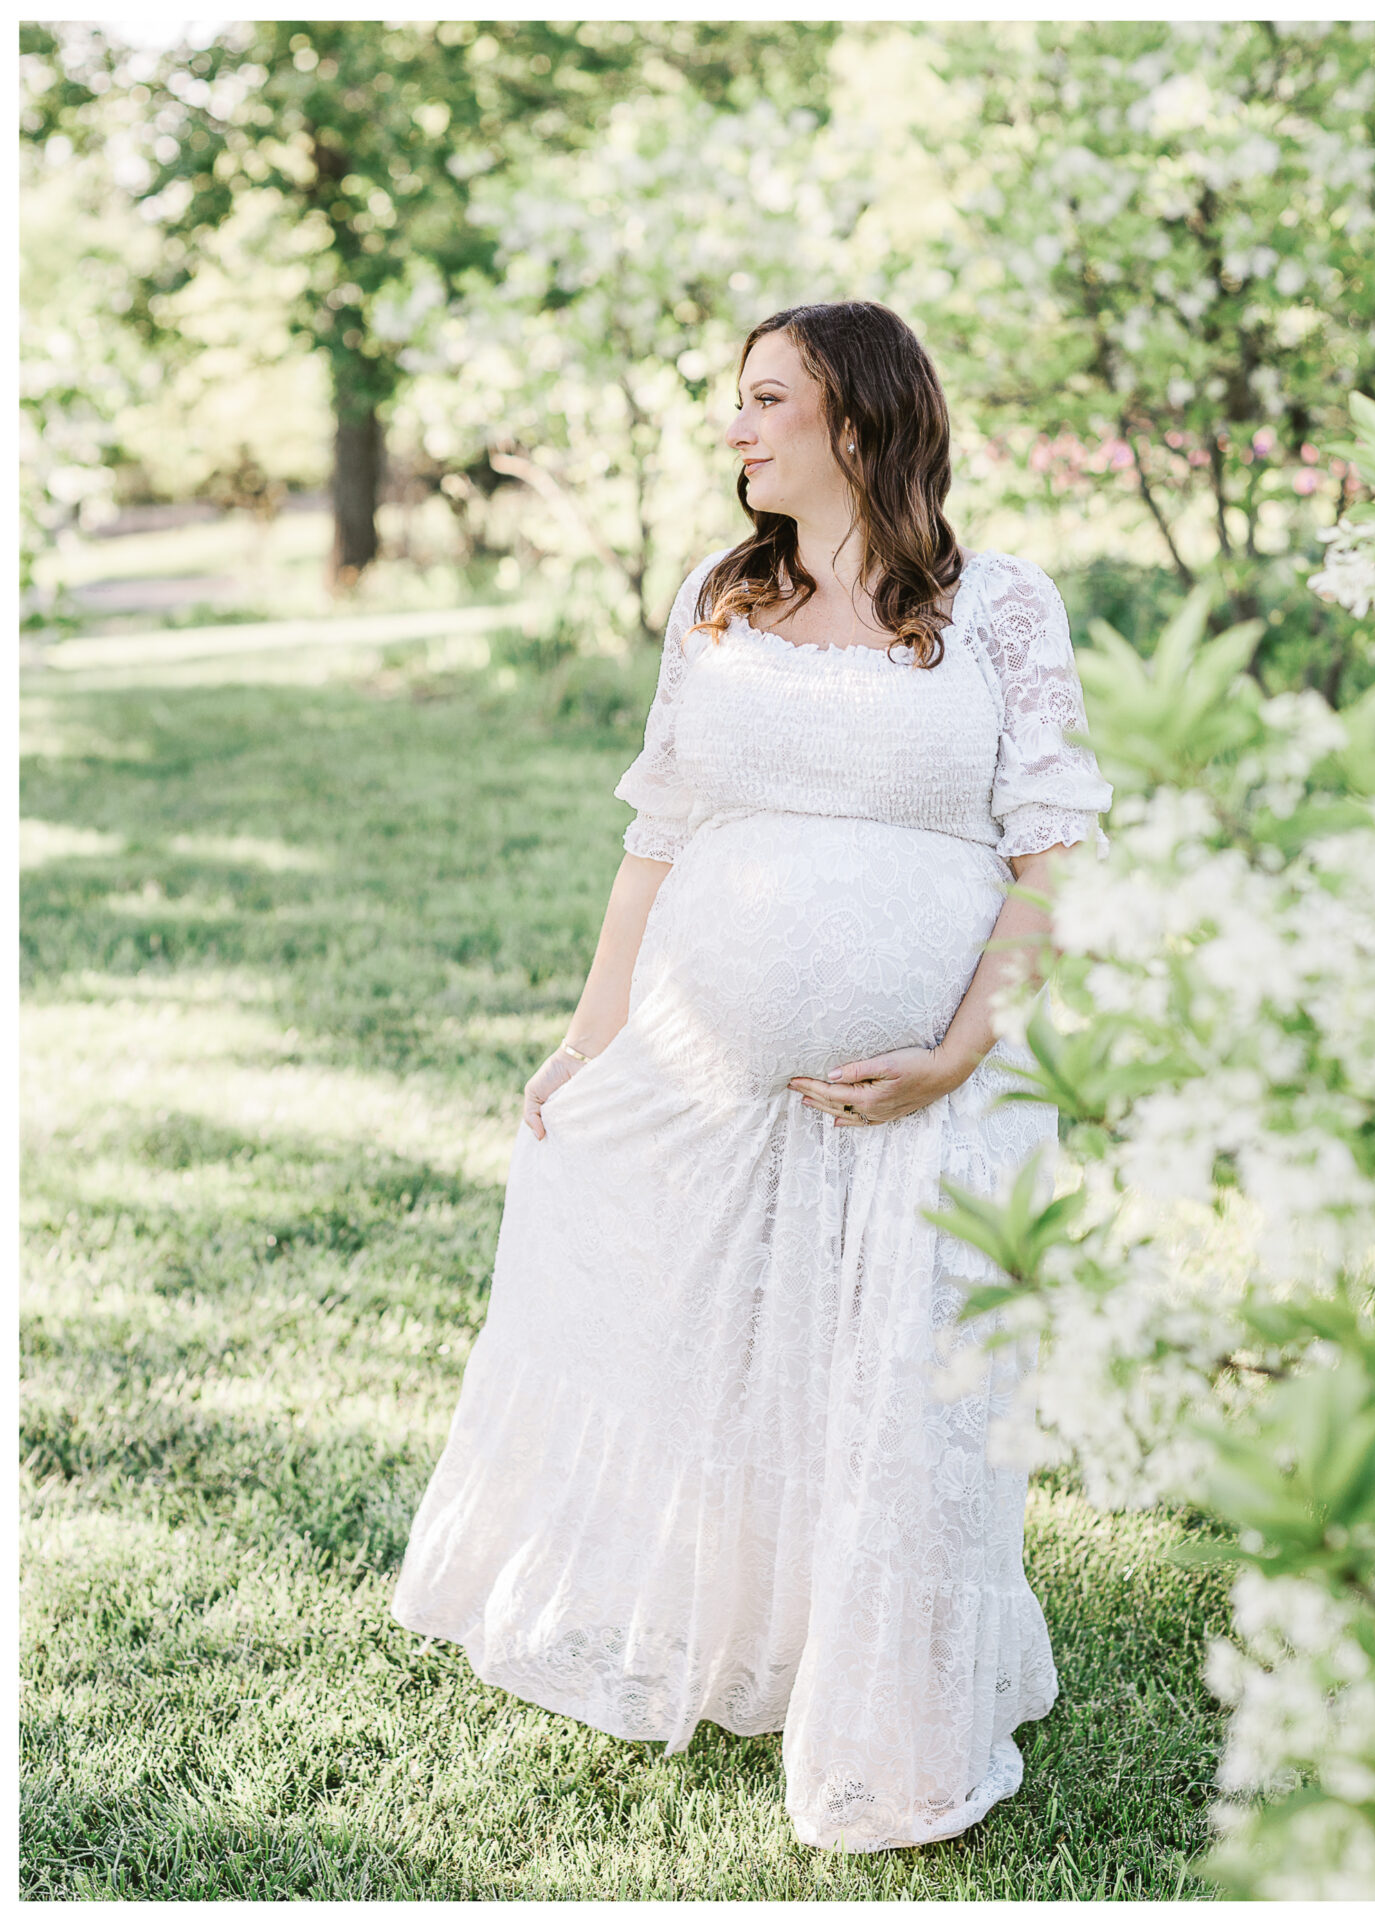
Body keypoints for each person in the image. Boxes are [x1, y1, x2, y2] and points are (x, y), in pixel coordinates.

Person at [391, 299, 1113, 1852]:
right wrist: (589, 1043)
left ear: (858, 420)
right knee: (723, 1362)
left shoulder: (998, 608)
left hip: (947, 1086)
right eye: (739, 401)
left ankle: (901, 1721)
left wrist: (958, 1050)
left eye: (767, 400)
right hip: (706, 1078)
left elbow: (1053, 854)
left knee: (905, 1396)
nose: (737, 428)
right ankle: (758, 1642)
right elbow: (658, 836)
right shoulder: (720, 597)